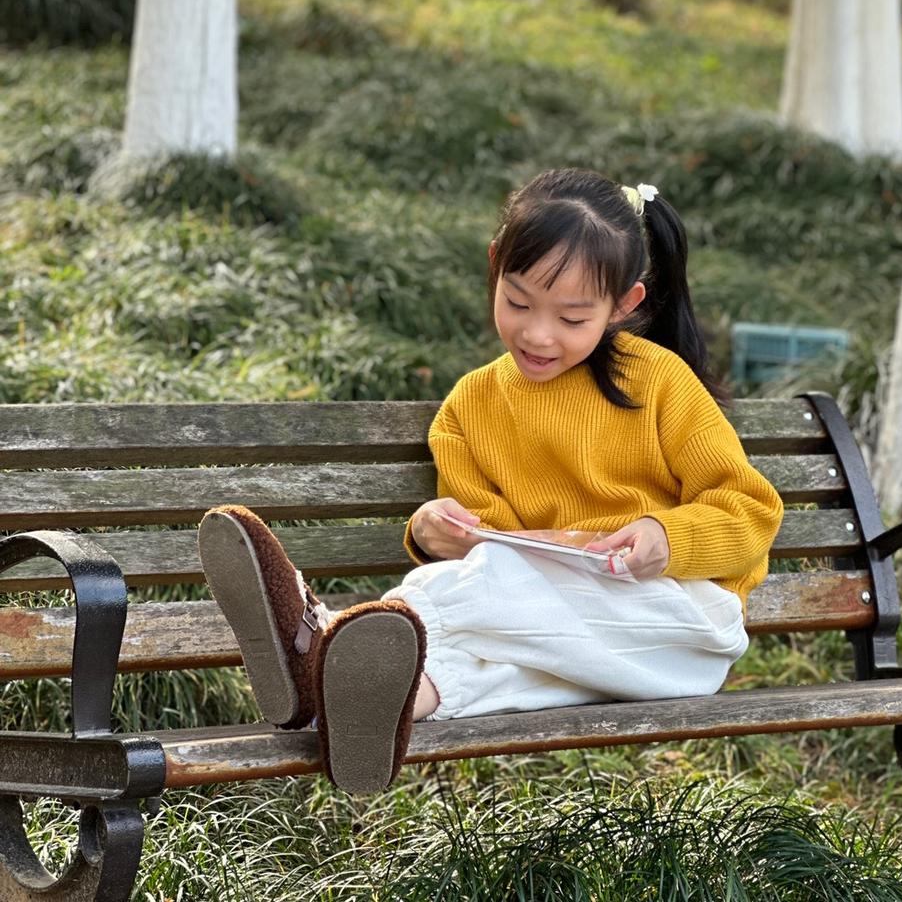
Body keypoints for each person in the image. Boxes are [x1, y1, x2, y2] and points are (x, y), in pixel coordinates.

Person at [198, 167, 784, 795]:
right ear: (495, 266)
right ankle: (357, 706)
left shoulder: (658, 382)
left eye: (571, 318)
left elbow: (751, 509)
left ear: (623, 307)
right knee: (484, 661)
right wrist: (438, 532)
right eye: (519, 301)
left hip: (676, 627)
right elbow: (491, 541)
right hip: (557, 640)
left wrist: (666, 535)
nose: (537, 333)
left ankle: (318, 639)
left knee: (496, 586)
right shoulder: (471, 407)